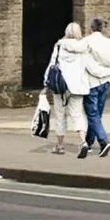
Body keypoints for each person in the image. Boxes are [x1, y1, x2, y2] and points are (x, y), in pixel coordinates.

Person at [80, 18, 110, 159]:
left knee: (92, 113)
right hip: (106, 80)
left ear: (91, 28)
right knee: (97, 113)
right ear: (102, 28)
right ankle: (89, 141)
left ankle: (103, 141)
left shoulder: (86, 42)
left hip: (91, 81)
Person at [44, 22, 91, 155]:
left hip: (61, 86)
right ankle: (83, 141)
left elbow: (52, 64)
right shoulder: (84, 47)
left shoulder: (60, 46)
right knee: (77, 115)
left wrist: (46, 83)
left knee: (60, 115)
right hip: (78, 86)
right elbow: (87, 66)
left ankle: (60, 145)